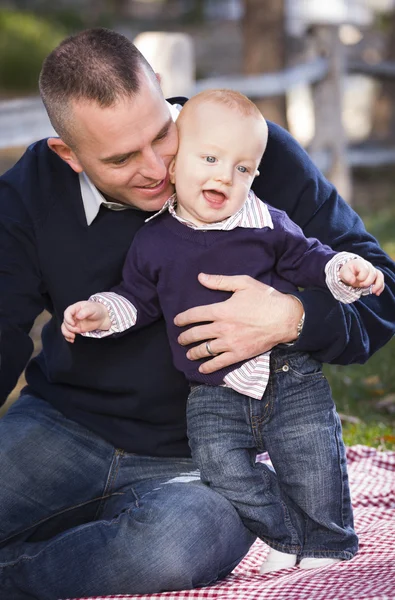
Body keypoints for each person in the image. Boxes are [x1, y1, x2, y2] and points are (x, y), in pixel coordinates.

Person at [0, 27, 394, 600]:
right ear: (70, 154)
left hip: (206, 454)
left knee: (169, 547)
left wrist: (294, 317)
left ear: (162, 87)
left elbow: (383, 294)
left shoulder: (248, 156)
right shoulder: (26, 194)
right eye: (121, 158)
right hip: (61, 427)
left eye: (161, 133)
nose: (157, 167)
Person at [62, 89, 384, 574]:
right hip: (211, 390)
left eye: (242, 169)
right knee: (221, 468)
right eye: (209, 158)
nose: (223, 176)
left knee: (313, 461)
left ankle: (328, 548)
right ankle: (287, 532)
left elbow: (311, 258)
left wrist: (344, 270)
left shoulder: (268, 225)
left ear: (255, 175)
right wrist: (101, 312)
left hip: (287, 374)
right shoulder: (154, 240)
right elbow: (137, 297)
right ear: (174, 165)